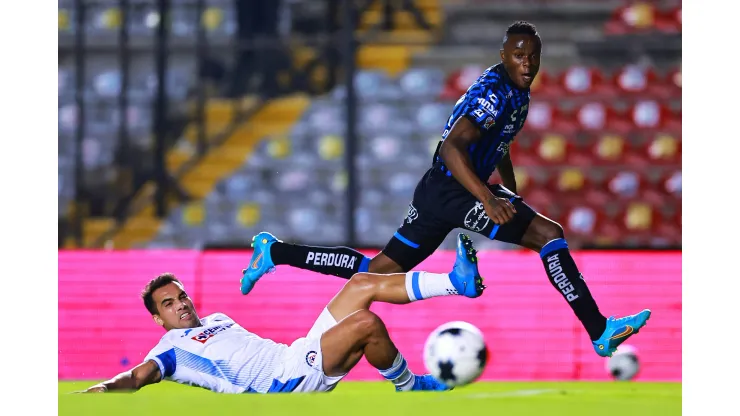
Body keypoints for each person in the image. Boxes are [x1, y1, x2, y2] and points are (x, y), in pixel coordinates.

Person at [241, 21, 651, 359]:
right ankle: (599, 330)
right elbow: (453, 146)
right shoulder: (495, 93)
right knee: (549, 234)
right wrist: (488, 198)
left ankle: (274, 251)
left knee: (376, 273)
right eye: (519, 56)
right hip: (455, 188)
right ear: (504, 55)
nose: (527, 64)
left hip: (439, 191)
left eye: (533, 57)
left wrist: (507, 185)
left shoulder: (518, 93)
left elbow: (499, 140)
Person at [79, 234, 485, 394]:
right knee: (366, 323)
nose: (181, 304)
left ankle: (456, 282)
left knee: (362, 282)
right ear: (158, 319)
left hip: (295, 354)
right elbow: (137, 377)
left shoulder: (217, 320)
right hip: (285, 382)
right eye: (168, 304)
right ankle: (409, 387)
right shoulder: (170, 348)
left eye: (181, 296)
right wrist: (96, 393)